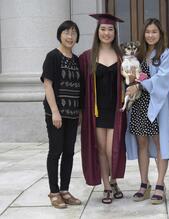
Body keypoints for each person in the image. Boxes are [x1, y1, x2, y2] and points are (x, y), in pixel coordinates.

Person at [125, 18, 169, 205]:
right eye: (147, 32)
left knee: (160, 142)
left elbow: (163, 78)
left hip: (158, 104)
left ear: (160, 34)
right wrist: (129, 80)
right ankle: (144, 184)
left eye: (154, 31)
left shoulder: (167, 54)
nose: (151, 35)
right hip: (139, 104)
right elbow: (131, 77)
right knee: (142, 143)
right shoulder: (138, 54)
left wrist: (139, 86)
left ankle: (160, 184)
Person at [79, 13, 126, 204]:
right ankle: (107, 186)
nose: (106, 33)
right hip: (96, 112)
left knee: (111, 149)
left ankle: (114, 180)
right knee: (100, 150)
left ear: (115, 33)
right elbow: (81, 85)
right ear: (97, 32)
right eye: (103, 29)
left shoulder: (123, 57)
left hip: (115, 111)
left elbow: (130, 81)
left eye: (110, 29)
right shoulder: (87, 57)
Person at [41, 20, 82, 209]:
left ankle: (65, 190)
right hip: (56, 114)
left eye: (73, 33)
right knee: (55, 151)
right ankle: (54, 192)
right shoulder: (53, 56)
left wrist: (80, 111)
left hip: (73, 115)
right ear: (60, 35)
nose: (70, 36)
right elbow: (47, 84)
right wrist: (55, 112)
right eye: (66, 32)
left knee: (68, 153)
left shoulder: (76, 59)